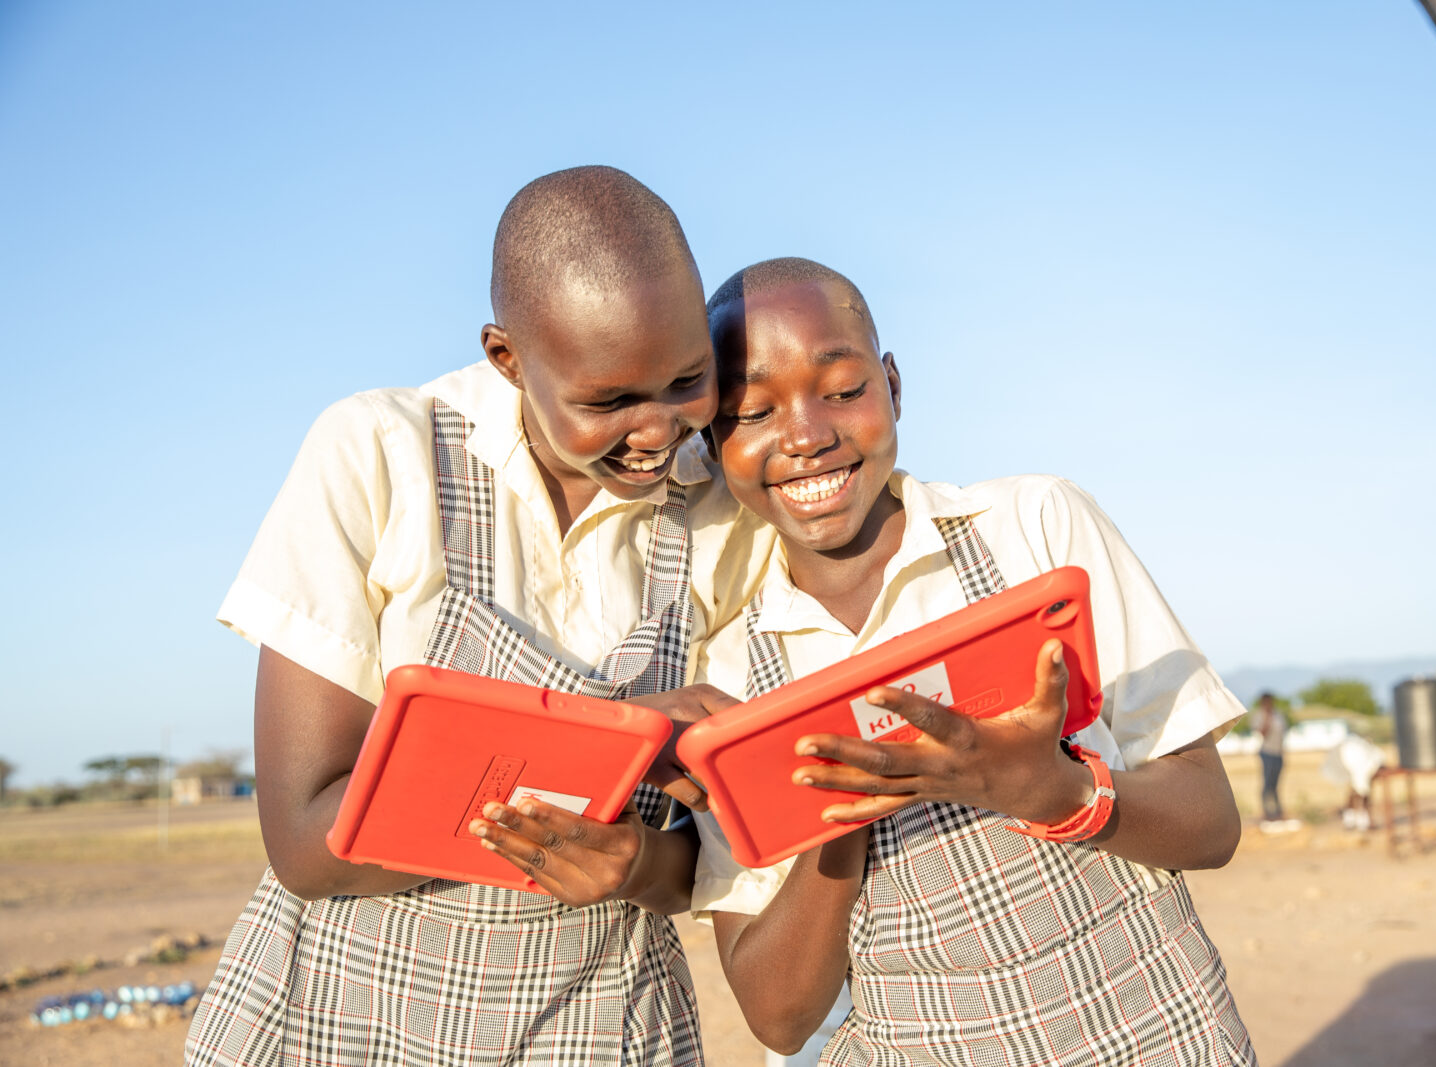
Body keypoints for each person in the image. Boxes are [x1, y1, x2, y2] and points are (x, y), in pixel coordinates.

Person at [186, 167, 770, 1067]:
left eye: (688, 379)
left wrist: (637, 860)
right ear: (508, 357)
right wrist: (622, 741)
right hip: (348, 1018)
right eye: (608, 402)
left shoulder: (723, 513)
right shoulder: (381, 456)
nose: (660, 431)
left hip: (602, 1024)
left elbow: (712, 850)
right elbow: (310, 840)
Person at [690, 258, 1256, 1066]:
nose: (807, 434)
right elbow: (778, 1017)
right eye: (750, 410)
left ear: (893, 386)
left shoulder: (1032, 531)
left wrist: (1053, 790)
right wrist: (840, 819)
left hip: (1151, 1030)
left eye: (844, 389)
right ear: (714, 444)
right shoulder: (735, 671)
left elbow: (1212, 821)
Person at [1252, 691, 1288, 823]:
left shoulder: (1279, 715)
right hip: (1267, 753)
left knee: (1275, 784)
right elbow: (1263, 733)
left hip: (1278, 753)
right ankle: (1267, 812)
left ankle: (1277, 811)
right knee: (1267, 783)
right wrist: (1267, 718)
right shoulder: (1259, 715)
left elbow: (1283, 734)